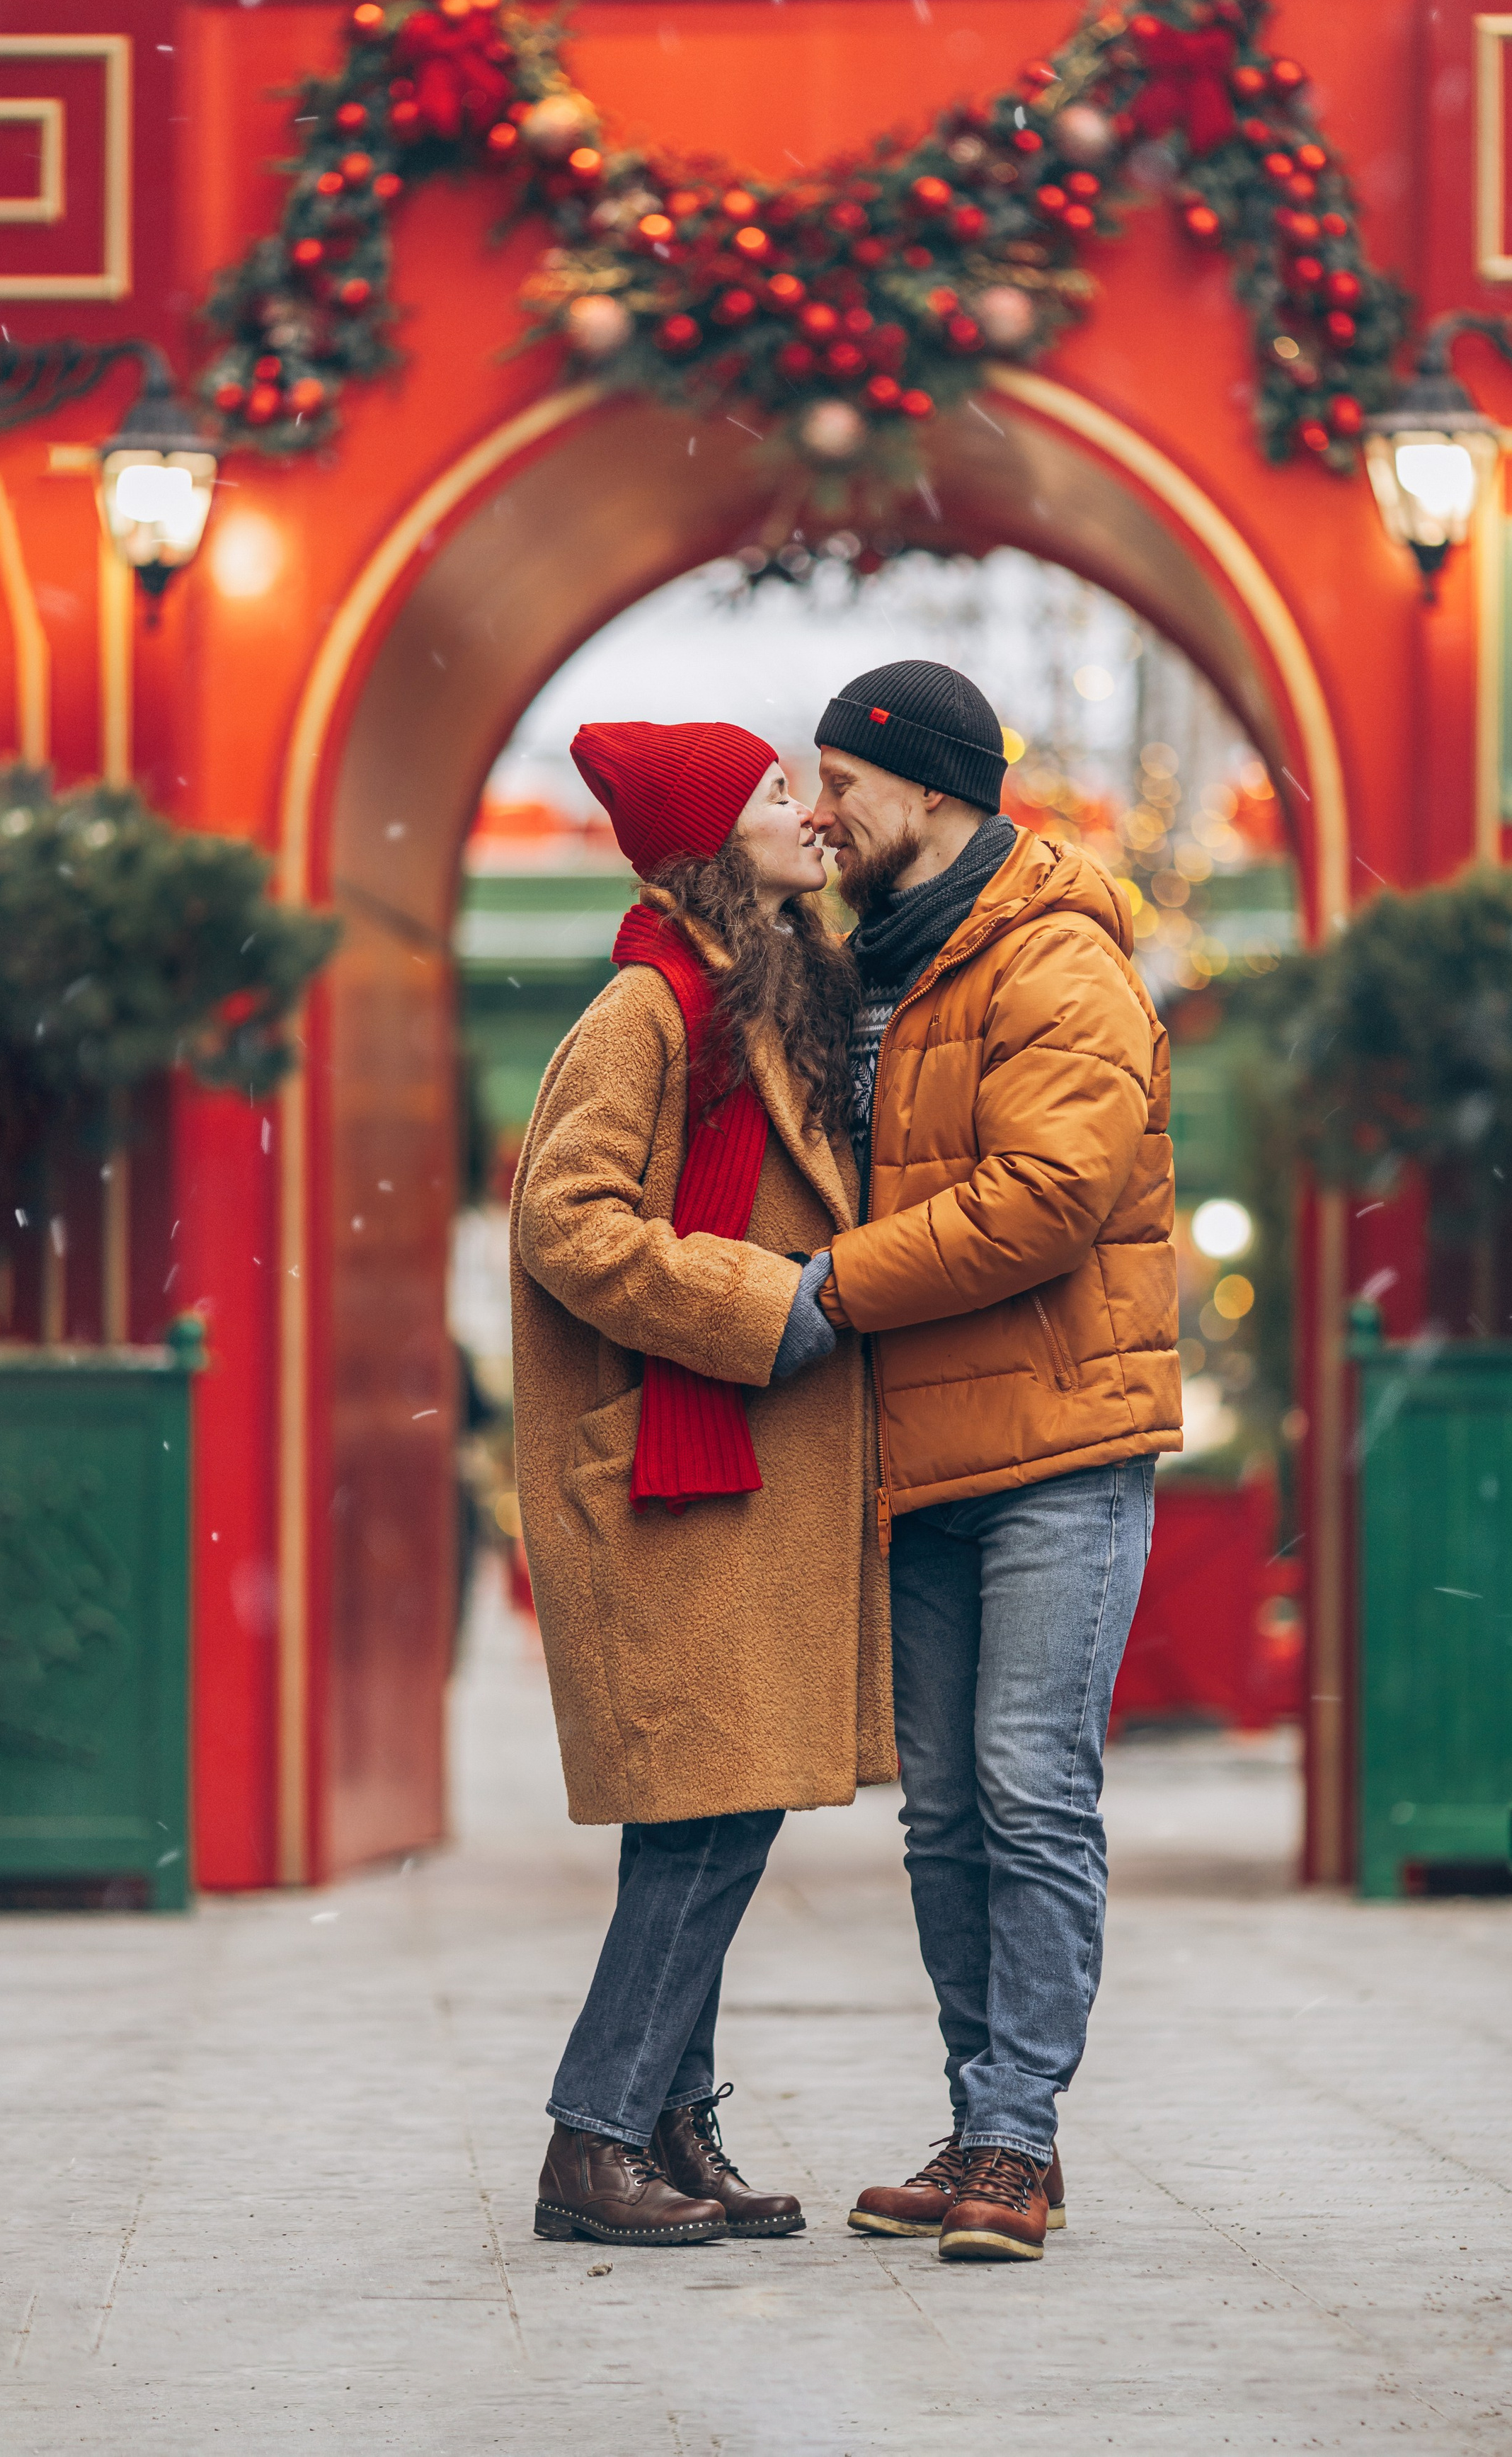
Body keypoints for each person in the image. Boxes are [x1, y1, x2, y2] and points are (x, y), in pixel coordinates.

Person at [795, 658, 1179, 2263]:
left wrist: (828, 1291)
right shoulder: (861, 964)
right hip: (919, 1446)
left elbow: (1042, 1201)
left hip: (1060, 1445)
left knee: (1029, 1790)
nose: (821, 812)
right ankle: (984, 2127)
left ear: (933, 789)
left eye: (842, 783)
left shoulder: (1056, 954)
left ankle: (1016, 2134)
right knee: (944, 1814)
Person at [508, 719, 893, 2250]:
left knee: (713, 1807)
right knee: (707, 1818)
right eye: (775, 794)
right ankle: (593, 2137)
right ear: (713, 836)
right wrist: (765, 1304)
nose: (807, 813)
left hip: (731, 1472)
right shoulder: (648, 1004)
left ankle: (671, 2123)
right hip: (678, 1465)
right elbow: (568, 1221)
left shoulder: (757, 989)